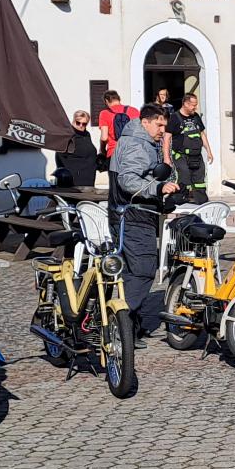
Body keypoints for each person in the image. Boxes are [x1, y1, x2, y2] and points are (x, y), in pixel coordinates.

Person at [109, 103, 179, 319]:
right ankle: (120, 322)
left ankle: (128, 326)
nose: (162, 130)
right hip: (135, 217)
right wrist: (158, 188)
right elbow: (128, 180)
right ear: (145, 122)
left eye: (165, 126)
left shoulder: (133, 140)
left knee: (129, 273)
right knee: (143, 270)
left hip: (123, 214)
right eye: (159, 125)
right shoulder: (138, 145)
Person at [164, 91, 214, 202]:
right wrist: (166, 158)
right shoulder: (174, 118)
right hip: (181, 156)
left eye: (196, 105)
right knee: (184, 178)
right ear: (186, 104)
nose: (195, 108)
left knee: (199, 180)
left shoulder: (196, 117)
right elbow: (167, 138)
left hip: (197, 156)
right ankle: (180, 201)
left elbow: (202, 134)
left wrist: (209, 151)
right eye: (193, 105)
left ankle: (201, 202)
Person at [55, 110, 101, 190]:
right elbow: (60, 155)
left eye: (84, 124)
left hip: (88, 177)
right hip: (74, 180)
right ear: (73, 121)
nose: (81, 126)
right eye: (78, 123)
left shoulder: (86, 135)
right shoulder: (68, 135)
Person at [96, 88, 136, 156]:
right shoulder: (134, 110)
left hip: (114, 152)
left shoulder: (104, 113)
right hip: (133, 151)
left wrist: (102, 149)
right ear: (119, 98)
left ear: (106, 101)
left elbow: (104, 137)